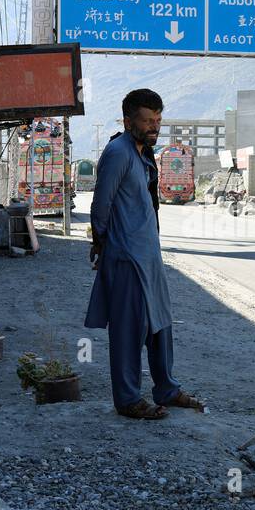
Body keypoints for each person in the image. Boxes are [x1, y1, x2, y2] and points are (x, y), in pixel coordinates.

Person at [85, 89, 204, 419]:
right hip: (126, 258)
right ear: (128, 121)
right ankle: (127, 400)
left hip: (149, 257)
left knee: (161, 325)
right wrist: (101, 243)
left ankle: (167, 388)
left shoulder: (143, 153)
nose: (155, 127)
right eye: (148, 121)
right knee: (128, 329)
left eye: (158, 121)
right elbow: (101, 205)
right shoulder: (118, 153)